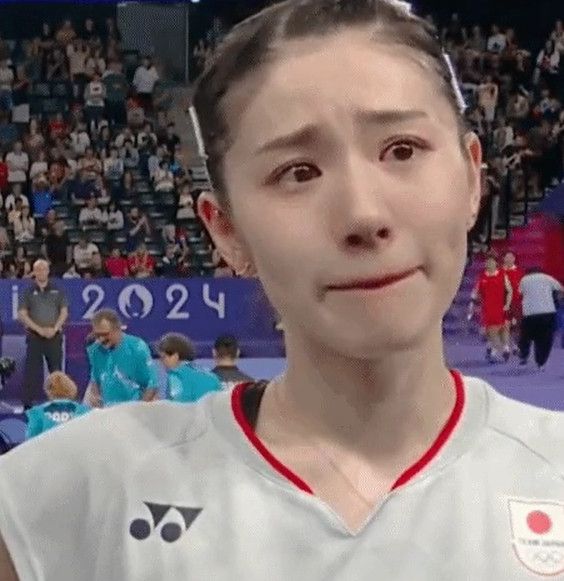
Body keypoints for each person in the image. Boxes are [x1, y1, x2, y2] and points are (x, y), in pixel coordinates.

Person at [1, 2, 564, 579]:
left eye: (402, 149)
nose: (364, 214)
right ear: (227, 230)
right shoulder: (90, 485)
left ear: (471, 178)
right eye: (298, 172)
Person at [17, 259, 68, 410]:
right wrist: (39, 329)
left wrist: (55, 328)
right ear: (34, 272)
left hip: (54, 336)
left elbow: (64, 312)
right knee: (31, 371)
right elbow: (22, 314)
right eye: (37, 269)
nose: (41, 272)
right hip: (34, 337)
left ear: (48, 271)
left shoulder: (58, 290)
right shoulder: (27, 291)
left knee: (56, 371)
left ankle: (59, 402)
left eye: (43, 269)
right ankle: (27, 405)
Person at [84, 309, 158, 408]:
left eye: (105, 334)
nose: (101, 339)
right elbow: (95, 380)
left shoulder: (137, 347)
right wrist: (95, 398)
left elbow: (152, 384)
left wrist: (139, 410)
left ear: (118, 329)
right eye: (97, 335)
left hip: (133, 409)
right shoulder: (94, 350)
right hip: (108, 411)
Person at [518, 267, 564, 370]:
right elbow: (561, 289)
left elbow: (519, 293)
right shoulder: (548, 278)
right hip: (547, 312)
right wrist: (557, 299)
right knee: (545, 339)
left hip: (530, 313)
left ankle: (524, 356)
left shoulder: (524, 280)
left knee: (526, 337)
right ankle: (541, 362)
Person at [468, 255, 512, 362]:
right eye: (487, 262)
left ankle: (503, 349)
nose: (489, 264)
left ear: (496, 263)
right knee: (491, 330)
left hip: (501, 307)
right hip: (487, 308)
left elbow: (509, 290)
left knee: (504, 328)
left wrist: (507, 304)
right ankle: (494, 349)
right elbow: (475, 292)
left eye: (492, 262)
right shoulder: (482, 277)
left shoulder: (502, 275)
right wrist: (472, 306)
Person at [156, 333, 221, 403]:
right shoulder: (212, 377)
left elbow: (175, 406)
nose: (161, 362)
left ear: (175, 356)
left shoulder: (175, 376)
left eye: (163, 357)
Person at [25, 371, 90, 440]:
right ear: (71, 388)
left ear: (48, 389)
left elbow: (30, 440)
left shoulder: (37, 413)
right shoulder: (85, 412)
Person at [502, 251, 524, 355]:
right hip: (503, 303)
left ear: (514, 259)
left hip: (517, 303)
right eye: (507, 257)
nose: (509, 259)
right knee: (505, 324)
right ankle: (506, 348)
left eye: (511, 257)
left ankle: (515, 345)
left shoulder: (519, 272)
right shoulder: (500, 271)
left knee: (516, 326)